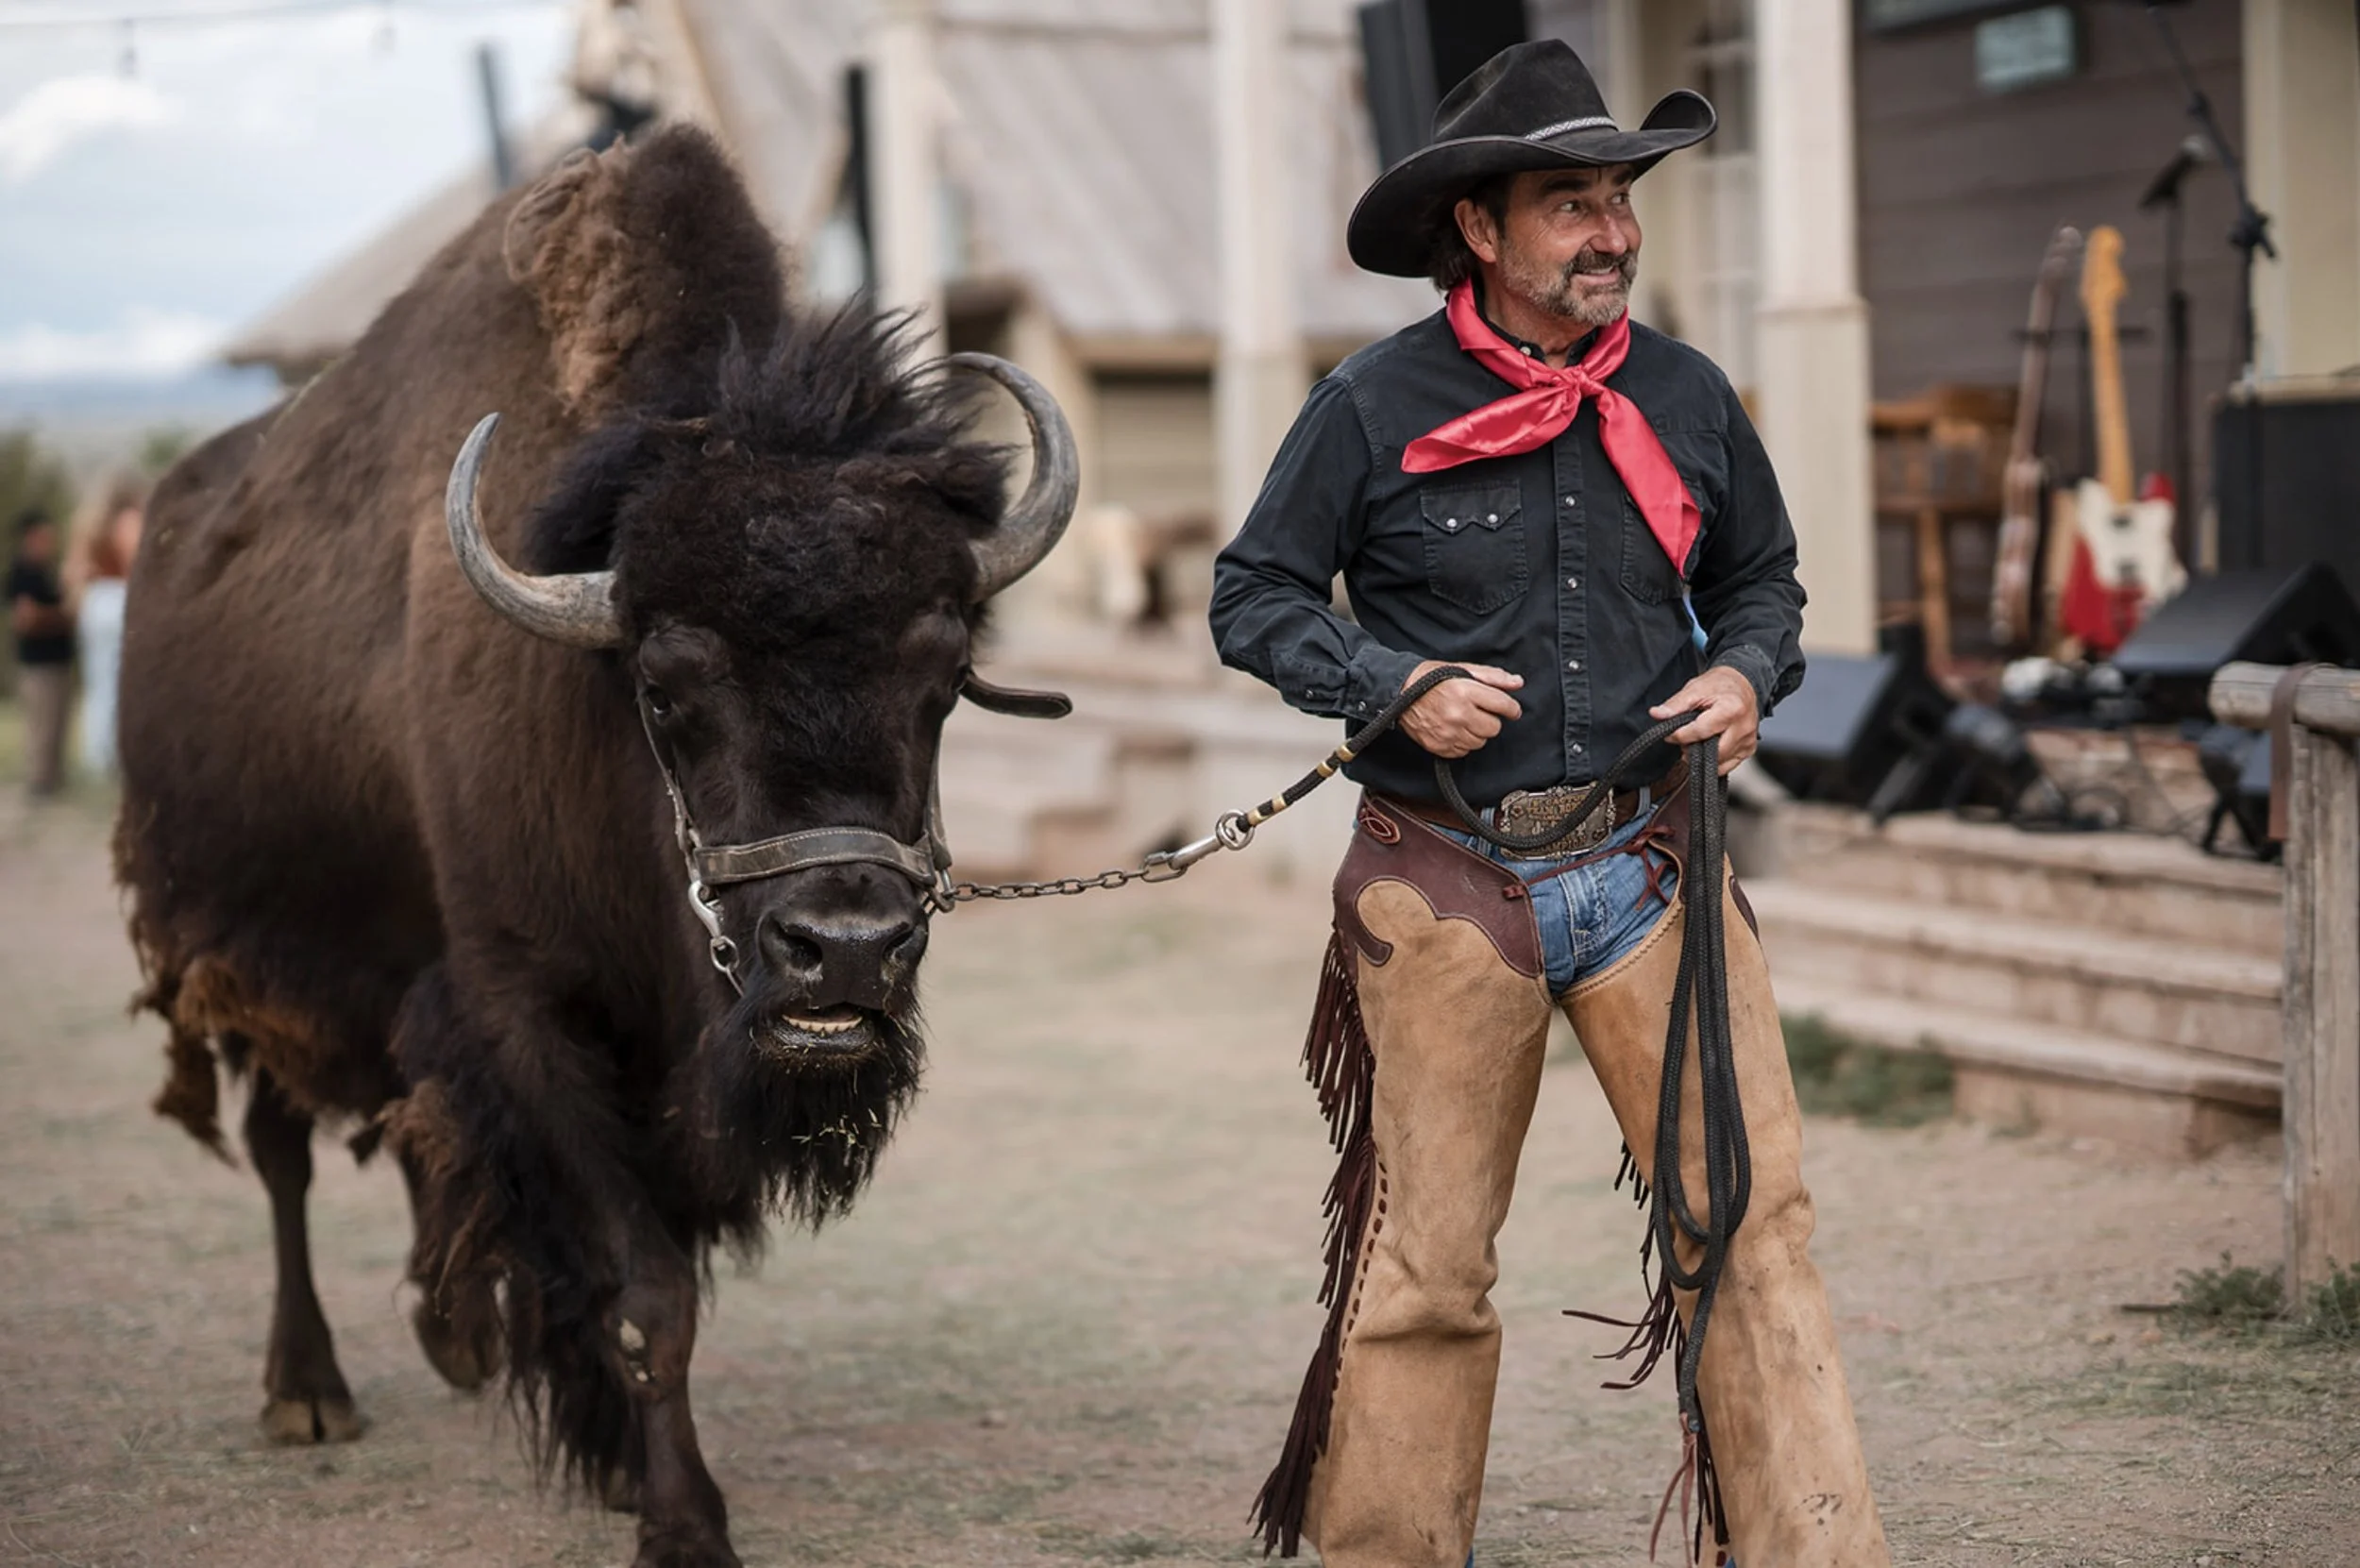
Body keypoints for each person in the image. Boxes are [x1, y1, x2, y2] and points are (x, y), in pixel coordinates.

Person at [1209, 41, 1889, 1568]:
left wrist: (1751, 674)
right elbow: (1252, 596)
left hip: (1657, 868)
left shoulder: (1689, 394)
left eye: (1620, 200)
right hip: (1446, 887)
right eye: (1572, 203)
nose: (1612, 232)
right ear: (1480, 228)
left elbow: (1763, 581)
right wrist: (1389, 682)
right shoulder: (1369, 405)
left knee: (1755, 1227)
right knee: (1430, 1273)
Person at [68, 477, 144, 778]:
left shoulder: (89, 526)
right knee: (118, 682)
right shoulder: (128, 521)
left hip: (94, 600)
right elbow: (134, 563)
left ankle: (96, 754)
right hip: (117, 599)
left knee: (97, 681)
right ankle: (112, 754)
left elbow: (73, 571)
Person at [9, 508, 76, 798]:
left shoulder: (50, 571)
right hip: (37, 663)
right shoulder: (22, 572)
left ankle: (54, 778)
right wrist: (63, 615)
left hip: (60, 658)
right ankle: (39, 781)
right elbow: (26, 619)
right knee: (42, 725)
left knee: (58, 723)